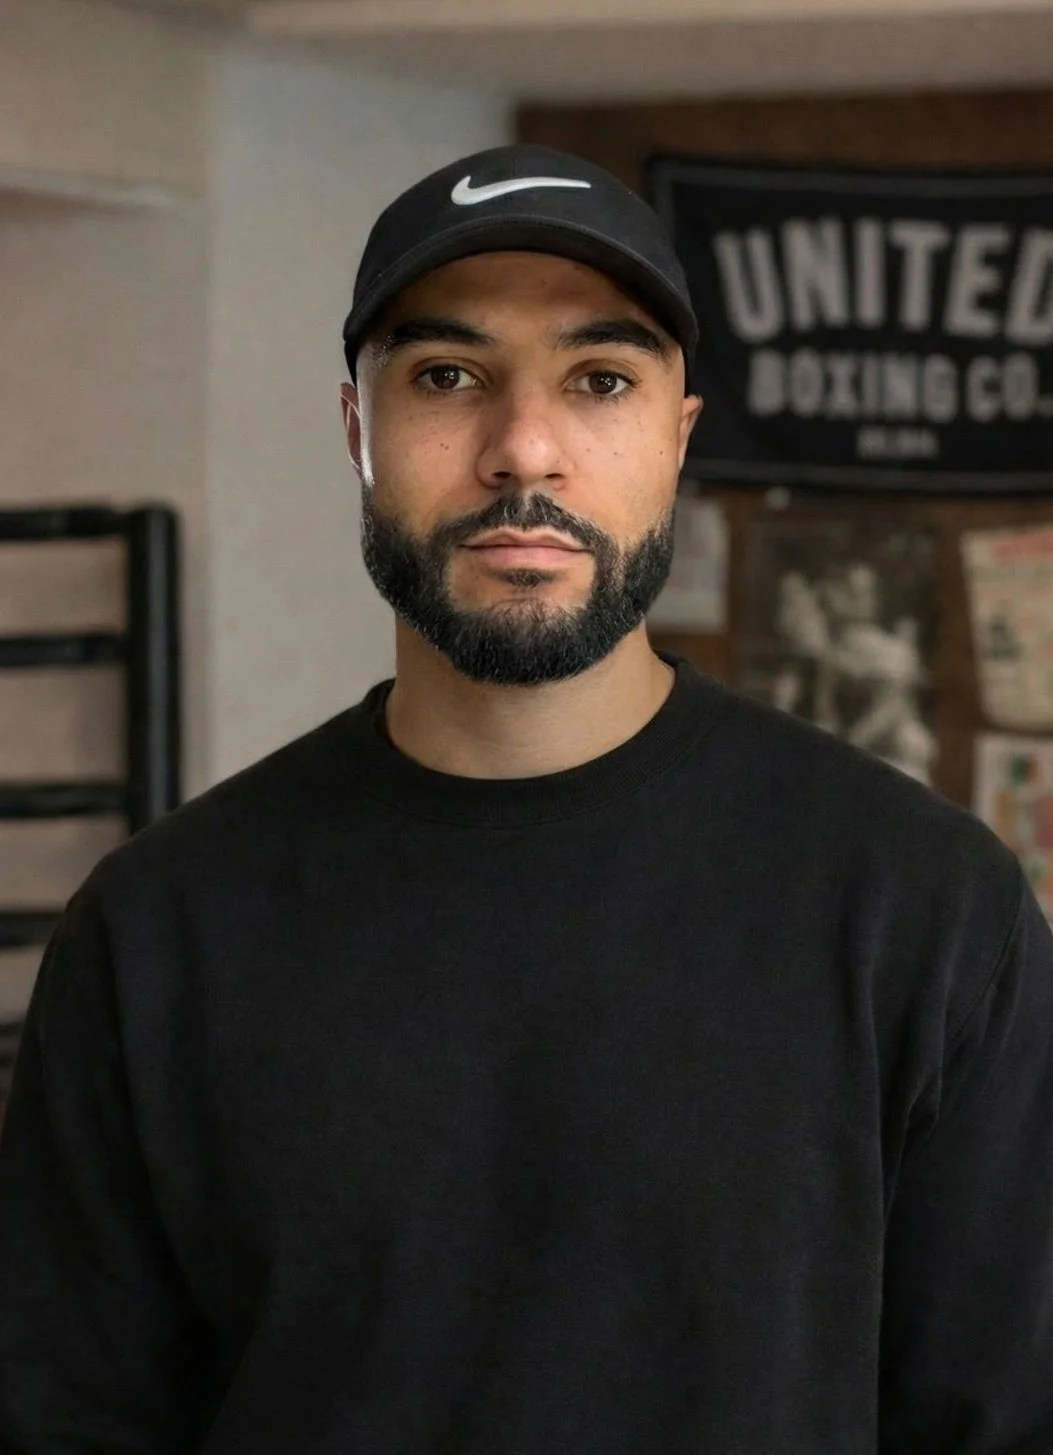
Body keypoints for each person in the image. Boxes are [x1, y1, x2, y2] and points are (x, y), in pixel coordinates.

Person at [0, 144, 1051, 1454]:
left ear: (676, 438)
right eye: (448, 376)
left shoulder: (924, 911)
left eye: (599, 379)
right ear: (357, 432)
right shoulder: (157, 933)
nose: (524, 449)